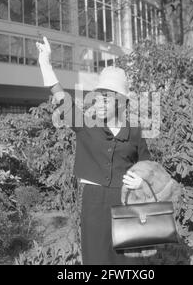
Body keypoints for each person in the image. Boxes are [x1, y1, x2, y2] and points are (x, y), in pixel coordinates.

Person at [36, 37, 152, 265]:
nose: (99, 102)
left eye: (106, 98)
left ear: (121, 102)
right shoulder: (85, 124)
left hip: (127, 200)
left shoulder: (135, 132)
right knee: (97, 259)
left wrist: (142, 182)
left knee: (130, 261)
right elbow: (62, 100)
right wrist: (45, 63)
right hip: (94, 202)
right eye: (97, 97)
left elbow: (148, 166)